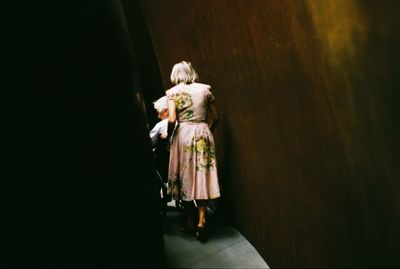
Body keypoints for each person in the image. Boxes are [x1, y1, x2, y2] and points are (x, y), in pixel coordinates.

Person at [166, 61, 221, 242]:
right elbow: (216, 116)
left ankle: (190, 220)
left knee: (185, 175)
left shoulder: (173, 93)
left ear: (176, 74)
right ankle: (201, 221)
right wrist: (208, 130)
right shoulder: (206, 90)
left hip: (184, 134)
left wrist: (169, 131)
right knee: (202, 175)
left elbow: (173, 119)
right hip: (203, 132)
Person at [149, 96, 171, 217]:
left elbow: (150, 141)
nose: (158, 116)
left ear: (166, 111)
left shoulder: (161, 125)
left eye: (159, 113)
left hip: (163, 160)